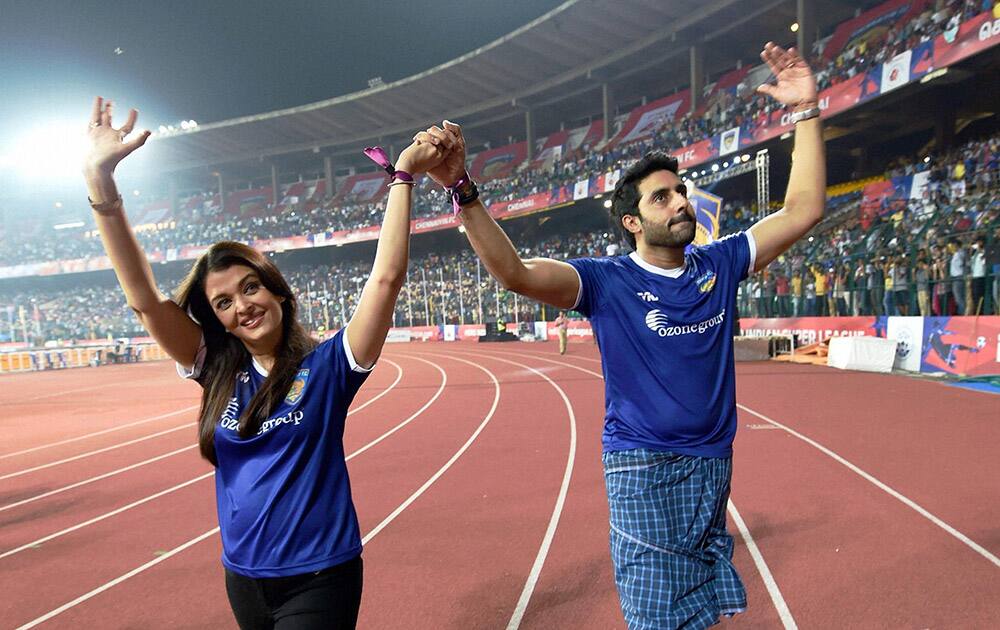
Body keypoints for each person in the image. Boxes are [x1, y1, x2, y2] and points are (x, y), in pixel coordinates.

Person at [415, 42, 825, 629]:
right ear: (633, 221)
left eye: (680, 191)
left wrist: (806, 111)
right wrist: (462, 190)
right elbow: (515, 273)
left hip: (713, 460)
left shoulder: (720, 263)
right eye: (663, 197)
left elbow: (804, 209)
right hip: (642, 464)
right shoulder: (606, 281)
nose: (680, 201)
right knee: (657, 616)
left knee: (702, 606)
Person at [81, 97, 447, 629]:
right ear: (218, 320)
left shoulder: (329, 369)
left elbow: (385, 280)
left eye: (249, 287)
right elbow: (144, 300)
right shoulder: (215, 370)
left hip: (320, 577)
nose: (242, 306)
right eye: (223, 302)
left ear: (275, 291)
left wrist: (403, 177)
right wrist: (99, 180)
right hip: (244, 579)